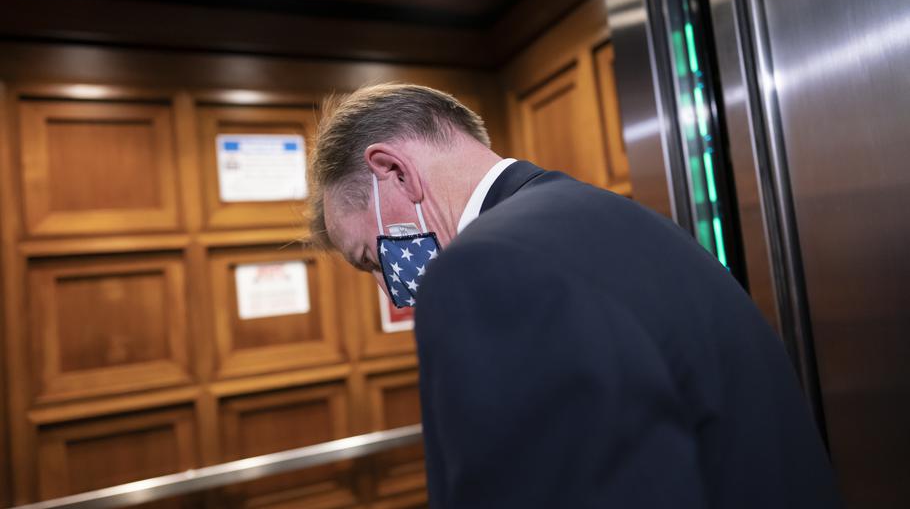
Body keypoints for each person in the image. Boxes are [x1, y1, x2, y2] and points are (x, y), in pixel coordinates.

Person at [308, 83, 841, 508]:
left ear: (394, 171)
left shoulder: (483, 268)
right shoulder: (625, 219)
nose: (391, 290)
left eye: (372, 259)